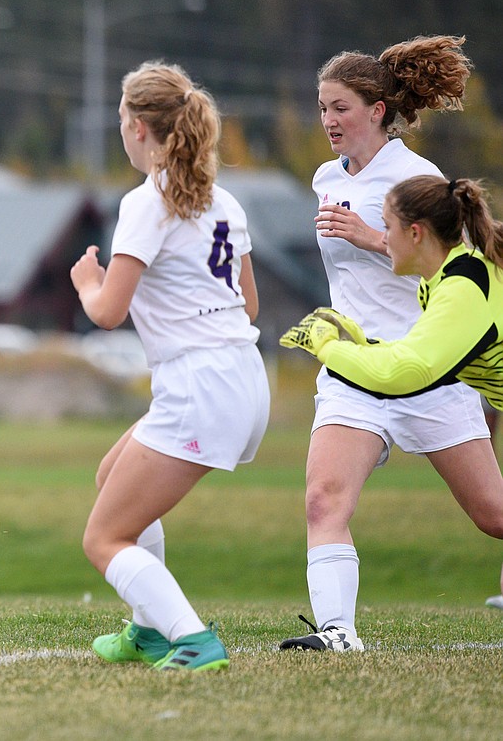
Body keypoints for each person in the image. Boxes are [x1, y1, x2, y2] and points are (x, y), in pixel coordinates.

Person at [278, 35, 503, 651]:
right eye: (322, 107)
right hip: (356, 369)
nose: (327, 120)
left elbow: (447, 265)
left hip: (427, 369)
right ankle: (336, 633)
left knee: (494, 517)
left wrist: (370, 236)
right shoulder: (327, 175)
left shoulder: (416, 176)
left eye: (340, 107)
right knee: (324, 500)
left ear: (377, 110)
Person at [69, 61, 269, 672]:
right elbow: (250, 304)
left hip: (199, 383)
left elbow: (106, 312)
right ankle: (148, 632)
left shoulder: (145, 202)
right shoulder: (223, 199)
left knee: (103, 539)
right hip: (241, 373)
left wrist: (86, 283)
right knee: (113, 478)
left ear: (136, 127)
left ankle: (192, 639)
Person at [281, 175, 503, 612]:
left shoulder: (463, 287)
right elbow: (418, 355)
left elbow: (407, 373)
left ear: (415, 233)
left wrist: (327, 347)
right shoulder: (442, 280)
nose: (382, 240)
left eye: (387, 227)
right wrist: (365, 347)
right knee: (495, 516)